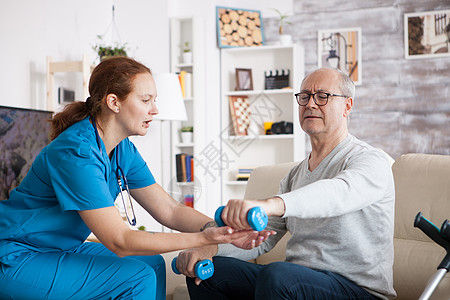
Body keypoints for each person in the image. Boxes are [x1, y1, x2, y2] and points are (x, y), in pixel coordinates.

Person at [0, 57, 270, 300]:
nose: (154, 110)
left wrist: (223, 231)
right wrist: (207, 239)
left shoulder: (122, 150)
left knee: (150, 264)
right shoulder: (76, 153)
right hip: (17, 255)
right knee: (136, 277)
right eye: (146, 100)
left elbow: (171, 211)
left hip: (55, 250)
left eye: (154, 100)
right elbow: (120, 241)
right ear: (114, 102)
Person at [180, 67, 397, 299]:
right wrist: (208, 248)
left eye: (323, 96)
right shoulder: (295, 175)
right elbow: (262, 239)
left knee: (279, 276)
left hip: (358, 290)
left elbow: (338, 193)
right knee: (208, 273)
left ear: (347, 105)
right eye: (304, 97)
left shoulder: (371, 160)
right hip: (298, 282)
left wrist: (269, 204)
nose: (311, 104)